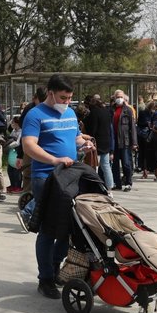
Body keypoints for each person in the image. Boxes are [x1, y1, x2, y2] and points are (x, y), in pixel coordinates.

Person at [20, 74, 93, 299]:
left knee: (69, 229)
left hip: (69, 176)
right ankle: (45, 278)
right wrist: (54, 160)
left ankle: (54, 268)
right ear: (50, 93)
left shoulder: (69, 113)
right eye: (63, 97)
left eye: (70, 97)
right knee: (49, 230)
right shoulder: (35, 115)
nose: (67, 102)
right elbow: (29, 146)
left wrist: (85, 143)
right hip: (46, 178)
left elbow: (74, 138)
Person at [83, 95, 113, 189]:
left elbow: (93, 129)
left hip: (97, 143)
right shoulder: (106, 112)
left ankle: (94, 186)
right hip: (106, 141)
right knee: (106, 166)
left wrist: (89, 138)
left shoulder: (94, 113)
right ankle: (110, 187)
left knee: (94, 166)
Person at [110, 89, 137, 192]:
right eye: (117, 97)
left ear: (124, 98)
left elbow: (133, 127)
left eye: (121, 97)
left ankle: (128, 182)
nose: (119, 99)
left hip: (125, 141)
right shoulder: (111, 110)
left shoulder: (128, 110)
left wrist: (134, 142)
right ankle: (117, 183)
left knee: (126, 162)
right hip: (114, 141)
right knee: (115, 164)